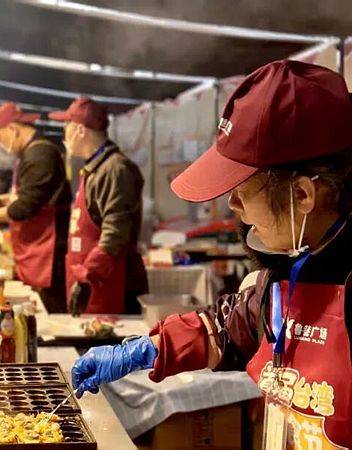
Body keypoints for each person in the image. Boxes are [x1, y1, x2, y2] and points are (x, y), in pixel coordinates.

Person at [71, 60, 352, 448]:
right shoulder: (290, 269)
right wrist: (146, 349)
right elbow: (232, 326)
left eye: (242, 192)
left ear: (303, 194)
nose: (232, 205)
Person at [49, 98, 148, 315]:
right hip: (93, 284)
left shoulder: (115, 170)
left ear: (80, 130)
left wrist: (87, 278)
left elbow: (115, 234)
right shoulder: (95, 168)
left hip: (110, 285)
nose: (64, 133)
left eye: (66, 126)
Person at [0, 102, 72, 313]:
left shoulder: (40, 155)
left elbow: (25, 207)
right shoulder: (30, 152)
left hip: (47, 254)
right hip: (35, 250)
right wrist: (5, 199)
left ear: (13, 129)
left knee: (49, 315)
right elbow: (29, 194)